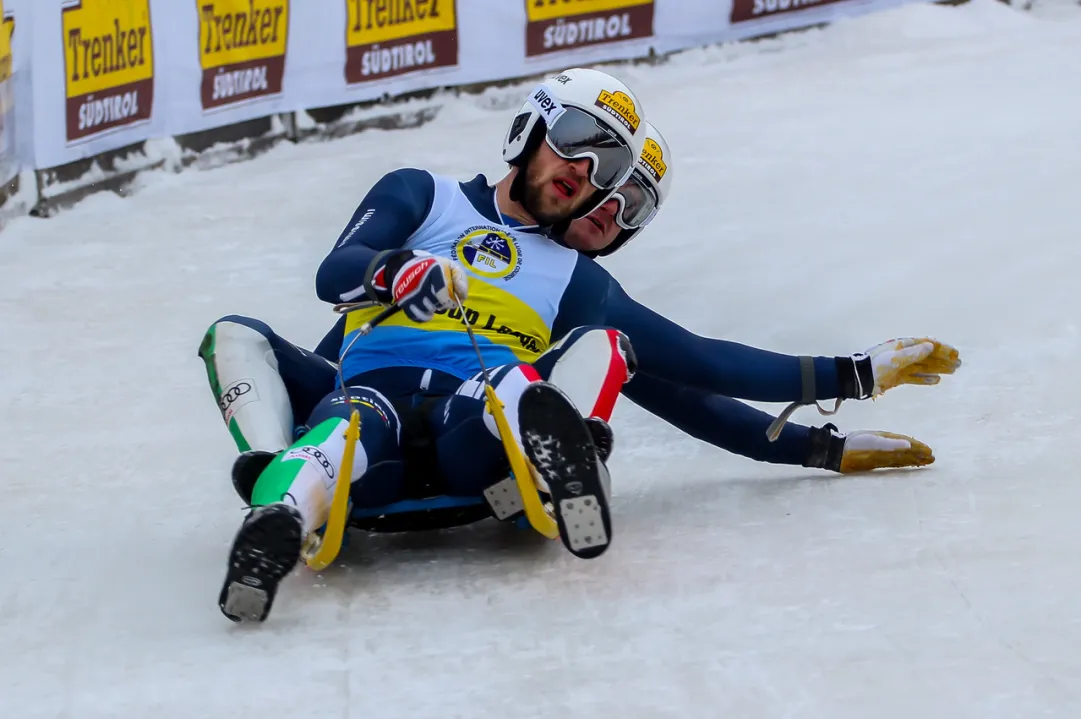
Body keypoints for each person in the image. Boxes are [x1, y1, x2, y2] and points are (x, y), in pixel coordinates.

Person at [213, 67, 651, 623]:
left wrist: (797, 414)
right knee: (254, 351)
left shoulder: (576, 275)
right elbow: (335, 272)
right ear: (532, 130)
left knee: (584, 353)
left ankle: (562, 463)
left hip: (469, 416)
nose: (585, 172)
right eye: (574, 143)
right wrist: (397, 272)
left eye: (608, 171)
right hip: (373, 398)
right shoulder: (424, 195)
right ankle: (276, 502)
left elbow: (696, 368)